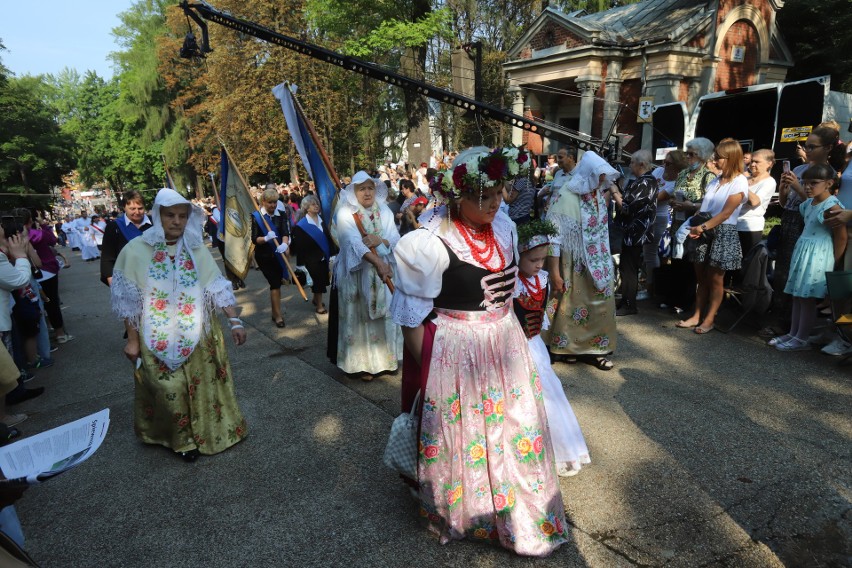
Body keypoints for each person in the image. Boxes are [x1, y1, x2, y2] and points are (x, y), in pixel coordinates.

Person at [392, 146, 569, 556]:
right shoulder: (429, 243)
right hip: (457, 350)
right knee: (466, 435)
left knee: (516, 429)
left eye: (497, 192)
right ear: (457, 196)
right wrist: (432, 375)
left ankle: (524, 518)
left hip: (505, 344)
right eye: (482, 196)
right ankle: (470, 512)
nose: (494, 203)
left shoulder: (505, 226)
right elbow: (410, 318)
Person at [110, 188, 248, 462]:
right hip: (155, 335)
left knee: (202, 388)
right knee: (168, 389)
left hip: (198, 334)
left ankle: (207, 433)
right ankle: (180, 439)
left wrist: (234, 321)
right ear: (158, 215)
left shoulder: (196, 248)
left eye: (182, 216)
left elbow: (215, 287)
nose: (176, 221)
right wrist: (132, 339)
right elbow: (129, 302)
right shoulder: (135, 250)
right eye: (170, 215)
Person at [514, 219, 590, 477]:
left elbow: (541, 314)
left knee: (547, 394)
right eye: (533, 260)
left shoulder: (542, 280)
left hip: (534, 344)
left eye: (542, 261)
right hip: (514, 345)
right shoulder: (511, 282)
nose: (538, 266)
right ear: (518, 255)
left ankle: (555, 450)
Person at [544, 149, 620, 370]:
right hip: (573, 261)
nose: (604, 179)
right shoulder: (566, 195)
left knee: (600, 306)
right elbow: (554, 237)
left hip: (597, 260)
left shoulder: (596, 194)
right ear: (589, 174)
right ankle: (568, 348)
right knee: (571, 304)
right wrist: (555, 273)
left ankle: (598, 349)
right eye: (600, 174)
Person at [329, 171, 402, 378]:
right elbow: (351, 242)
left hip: (384, 271)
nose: (367, 192)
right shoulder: (345, 213)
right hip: (358, 273)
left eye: (370, 188)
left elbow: (395, 238)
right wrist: (377, 261)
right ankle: (363, 366)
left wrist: (382, 242)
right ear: (354, 191)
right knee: (361, 318)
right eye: (362, 189)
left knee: (386, 314)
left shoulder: (385, 211)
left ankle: (387, 361)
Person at [775, 127, 846, 328]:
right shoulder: (799, 170)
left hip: (806, 226)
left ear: (828, 148)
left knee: (802, 280)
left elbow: (815, 207)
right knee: (785, 274)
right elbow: (784, 203)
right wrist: (783, 189)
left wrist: (799, 188)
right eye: (806, 146)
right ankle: (785, 321)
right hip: (790, 220)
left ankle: (794, 325)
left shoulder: (827, 173)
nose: (807, 151)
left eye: (812, 147)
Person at [770, 164, 846, 350]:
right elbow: (785, 204)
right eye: (805, 183)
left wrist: (836, 261)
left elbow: (841, 236)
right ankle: (793, 333)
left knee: (807, 298)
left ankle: (802, 338)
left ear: (829, 183)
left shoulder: (831, 206)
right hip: (803, 252)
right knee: (797, 295)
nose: (808, 187)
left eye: (814, 183)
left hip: (818, 256)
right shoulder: (808, 204)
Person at [677, 138, 748, 334]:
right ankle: (697, 315)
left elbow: (726, 213)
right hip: (703, 230)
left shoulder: (740, 181)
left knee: (716, 279)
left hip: (722, 232)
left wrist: (702, 227)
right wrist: (694, 220)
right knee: (701, 278)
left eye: (719, 158)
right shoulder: (716, 180)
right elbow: (706, 206)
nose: (715, 161)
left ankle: (710, 318)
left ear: (731, 158)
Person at [664, 138, 716, 312]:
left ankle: (685, 302)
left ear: (702, 156)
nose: (687, 157)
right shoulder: (683, 173)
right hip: (677, 223)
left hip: (693, 226)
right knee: (676, 262)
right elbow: (674, 194)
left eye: (691, 154)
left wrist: (691, 206)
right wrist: (673, 202)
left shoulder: (709, 176)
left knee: (689, 265)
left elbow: (711, 204)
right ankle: (672, 298)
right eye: (687, 153)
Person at [612, 150, 658, 316]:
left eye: (631, 162)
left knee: (629, 269)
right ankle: (625, 301)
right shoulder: (642, 181)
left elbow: (626, 207)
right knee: (626, 267)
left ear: (641, 164)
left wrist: (614, 191)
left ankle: (629, 304)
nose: (629, 165)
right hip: (633, 232)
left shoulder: (646, 182)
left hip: (636, 233)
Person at [22, 210, 72, 345]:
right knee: (52, 302)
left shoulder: (15, 237)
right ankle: (60, 333)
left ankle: (43, 335)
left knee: (35, 304)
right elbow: (53, 240)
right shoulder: (39, 234)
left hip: (26, 274)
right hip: (47, 272)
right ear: (31, 221)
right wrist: (43, 225)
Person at [648, 150, 688, 297]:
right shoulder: (658, 170)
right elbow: (647, 188)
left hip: (660, 217)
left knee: (653, 253)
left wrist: (645, 194)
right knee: (649, 253)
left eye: (668, 163)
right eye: (664, 161)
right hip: (649, 215)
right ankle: (652, 287)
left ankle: (653, 289)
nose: (664, 164)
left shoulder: (676, 183)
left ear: (677, 166)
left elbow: (656, 197)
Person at [251, 188, 292, 328]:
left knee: (277, 285)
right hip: (264, 256)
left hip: (279, 254)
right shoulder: (257, 216)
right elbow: (254, 239)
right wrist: (266, 238)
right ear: (263, 202)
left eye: (275, 202)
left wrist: (285, 244)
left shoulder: (281, 214)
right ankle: (278, 316)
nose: (273, 205)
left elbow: (285, 232)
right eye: (270, 203)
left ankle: (275, 313)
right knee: (275, 283)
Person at [100, 191, 153, 287]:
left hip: (154, 279)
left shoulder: (154, 224)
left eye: (140, 208)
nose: (137, 212)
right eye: (132, 209)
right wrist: (113, 284)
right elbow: (107, 257)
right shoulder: (114, 227)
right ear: (124, 207)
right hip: (127, 281)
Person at [290, 194, 332, 315]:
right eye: (313, 204)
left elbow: (327, 238)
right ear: (306, 208)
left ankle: (315, 299)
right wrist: (300, 264)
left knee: (322, 279)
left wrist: (332, 253)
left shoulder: (321, 220)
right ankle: (319, 306)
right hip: (311, 258)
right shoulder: (301, 226)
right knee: (318, 281)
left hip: (323, 256)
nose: (316, 206)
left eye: (317, 203)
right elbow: (299, 247)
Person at [737, 149, 777, 255]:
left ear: (769, 164)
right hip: (733, 224)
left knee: (745, 265)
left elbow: (754, 202)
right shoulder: (745, 180)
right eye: (752, 161)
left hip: (749, 228)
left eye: (757, 162)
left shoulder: (769, 182)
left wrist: (741, 184)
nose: (753, 164)